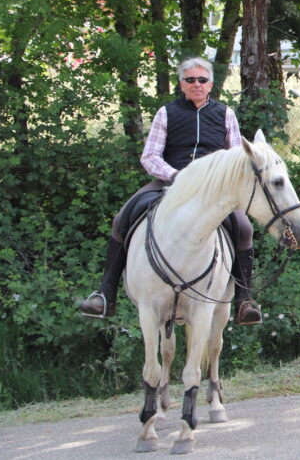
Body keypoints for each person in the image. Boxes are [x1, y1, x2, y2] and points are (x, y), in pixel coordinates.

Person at [77, 57, 263, 325]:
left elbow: (235, 157)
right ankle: (105, 293)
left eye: (202, 80)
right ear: (181, 84)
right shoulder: (166, 112)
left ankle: (244, 300)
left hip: (213, 190)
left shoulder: (225, 114)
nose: (196, 84)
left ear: (210, 84)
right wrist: (176, 175)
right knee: (122, 219)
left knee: (244, 228)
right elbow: (150, 156)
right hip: (171, 181)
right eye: (190, 80)